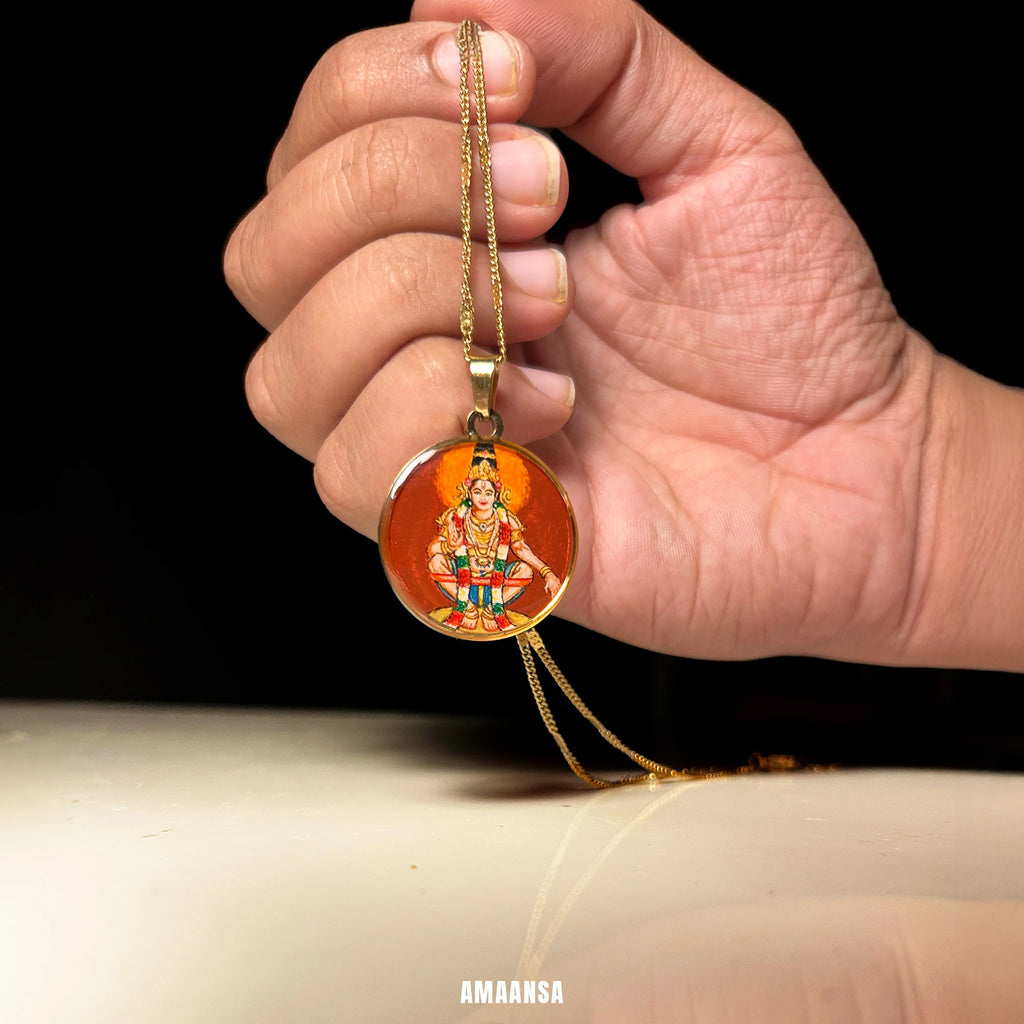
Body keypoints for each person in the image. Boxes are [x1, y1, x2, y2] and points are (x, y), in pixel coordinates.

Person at [224, 0, 1022, 673]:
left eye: (479, 493)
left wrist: (930, 493)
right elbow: (454, 558)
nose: (477, 495)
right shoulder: (478, 510)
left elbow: (514, 551)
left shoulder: (499, 512)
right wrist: (927, 512)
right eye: (477, 493)